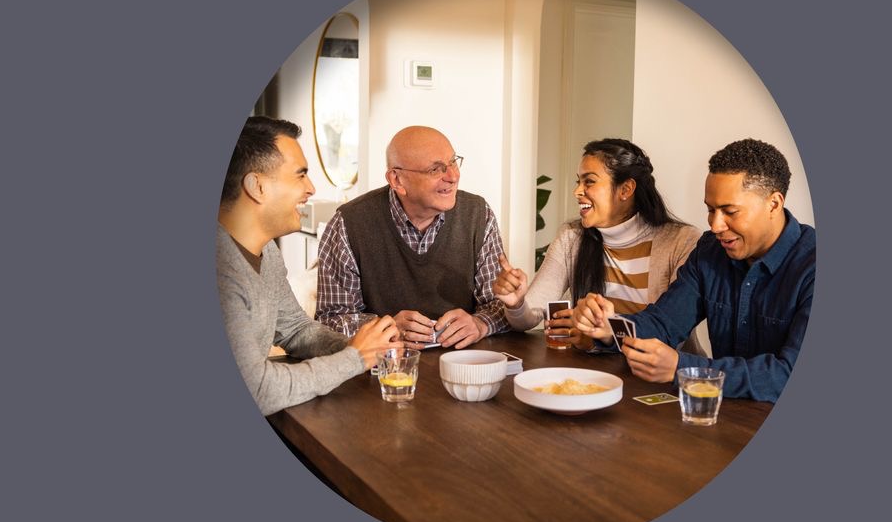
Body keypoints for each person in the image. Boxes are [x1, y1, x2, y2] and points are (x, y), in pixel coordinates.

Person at [573, 138, 815, 402]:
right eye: (711, 210)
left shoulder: (814, 266)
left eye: (730, 211)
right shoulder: (710, 251)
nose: (715, 225)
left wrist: (683, 369)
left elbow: (789, 374)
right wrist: (609, 327)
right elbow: (664, 323)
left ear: (774, 204)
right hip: (718, 414)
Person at [217, 116, 402, 416]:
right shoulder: (222, 271)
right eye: (300, 175)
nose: (311, 188)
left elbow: (294, 328)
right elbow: (257, 390)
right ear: (257, 186)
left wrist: (358, 346)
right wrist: (355, 358)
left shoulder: (266, 251)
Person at [492, 139, 701, 351]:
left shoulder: (681, 241)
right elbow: (528, 317)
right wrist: (515, 303)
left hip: (664, 370)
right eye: (578, 182)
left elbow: (670, 330)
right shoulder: (571, 237)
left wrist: (599, 335)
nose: (577, 191)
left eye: (589, 181)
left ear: (626, 189)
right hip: (595, 368)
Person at [316, 125, 509, 350]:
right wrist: (385, 328)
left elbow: (501, 304)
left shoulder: (478, 214)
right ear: (397, 180)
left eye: (453, 162)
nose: (453, 176)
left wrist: (480, 324)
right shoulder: (348, 224)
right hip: (385, 364)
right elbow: (329, 321)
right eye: (436, 169)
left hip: (463, 360)